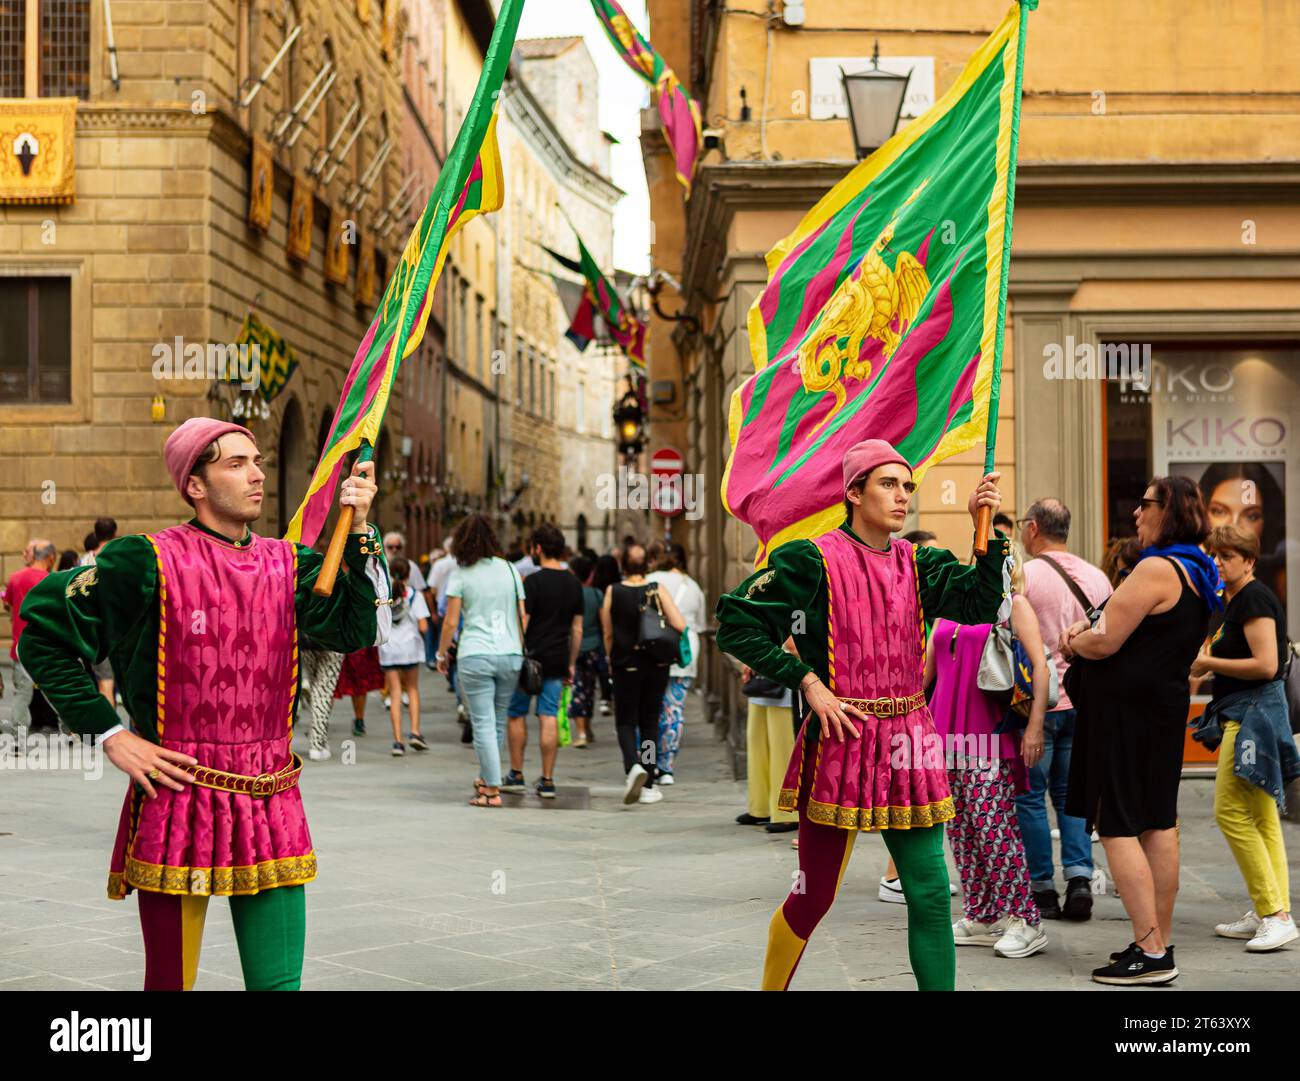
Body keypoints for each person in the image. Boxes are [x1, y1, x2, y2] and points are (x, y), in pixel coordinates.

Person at [16, 417, 387, 990]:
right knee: (169, 984)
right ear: (194, 483)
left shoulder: (288, 564)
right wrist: (110, 735)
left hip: (271, 796)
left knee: (278, 985)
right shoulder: (142, 560)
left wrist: (360, 527)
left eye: (258, 461)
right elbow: (40, 634)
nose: (257, 475)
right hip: (179, 792)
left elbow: (353, 626)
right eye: (236, 464)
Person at [715, 438, 1009, 991]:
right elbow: (734, 621)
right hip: (840, 738)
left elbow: (979, 603)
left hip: (909, 740)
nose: (902, 496)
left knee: (929, 890)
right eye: (888, 484)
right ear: (853, 492)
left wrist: (983, 528)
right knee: (814, 895)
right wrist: (809, 683)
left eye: (907, 486)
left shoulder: (920, 562)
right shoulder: (809, 559)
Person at [1059, 474, 1220, 986]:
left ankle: (1151, 953)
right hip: (1163, 712)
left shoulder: (1157, 568)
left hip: (1126, 716)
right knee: (1158, 825)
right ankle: (1157, 940)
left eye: (1145, 504)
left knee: (1117, 826)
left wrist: (1073, 641)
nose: (1135, 513)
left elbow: (1103, 641)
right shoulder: (1203, 572)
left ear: (1167, 510)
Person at [929, 559, 1050, 960]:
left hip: (989, 736)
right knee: (961, 831)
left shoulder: (1012, 605)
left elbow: (1041, 667)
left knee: (994, 830)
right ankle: (982, 914)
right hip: (944, 735)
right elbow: (925, 674)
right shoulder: (948, 607)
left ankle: (1026, 920)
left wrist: (1034, 728)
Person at [1191, 523, 1298, 952]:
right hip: (1247, 713)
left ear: (1250, 561)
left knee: (1231, 811)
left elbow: (1266, 664)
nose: (1218, 562)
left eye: (1228, 556)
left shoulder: (1254, 597)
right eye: (1215, 555)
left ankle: (1275, 914)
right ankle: (1270, 908)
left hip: (1252, 716)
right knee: (1262, 817)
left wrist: (1209, 663)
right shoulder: (1233, 599)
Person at [1016, 497, 1113, 919]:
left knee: (1031, 797)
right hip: (1086, 703)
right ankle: (1078, 877)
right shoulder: (1098, 577)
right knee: (1074, 796)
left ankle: (1041, 889)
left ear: (1033, 528)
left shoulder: (1027, 576)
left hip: (1040, 704)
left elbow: (1007, 635)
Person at [437, 514, 525, 808]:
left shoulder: (461, 574)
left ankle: (492, 791)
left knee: (483, 723)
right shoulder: (511, 571)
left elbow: (450, 622)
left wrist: (441, 654)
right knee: (496, 722)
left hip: (476, 653)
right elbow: (521, 615)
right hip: (511, 653)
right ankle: (488, 779)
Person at [602, 543, 687, 806]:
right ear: (646, 564)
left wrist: (610, 659)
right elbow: (680, 625)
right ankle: (648, 782)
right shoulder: (656, 589)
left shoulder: (612, 591)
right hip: (656, 665)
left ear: (623, 565)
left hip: (625, 664)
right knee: (649, 722)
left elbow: (608, 632)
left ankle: (632, 766)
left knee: (626, 721)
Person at [503, 524, 584, 799]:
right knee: (549, 714)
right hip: (558, 657)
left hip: (530, 659)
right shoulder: (574, 583)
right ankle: (548, 779)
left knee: (516, 713)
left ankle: (516, 774)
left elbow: (523, 621)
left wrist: (515, 649)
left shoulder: (532, 583)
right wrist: (571, 661)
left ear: (537, 548)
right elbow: (577, 629)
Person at [646, 541, 705, 784]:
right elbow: (699, 625)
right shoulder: (693, 586)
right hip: (685, 650)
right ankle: (667, 766)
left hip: (657, 647)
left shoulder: (650, 580)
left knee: (651, 708)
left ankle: (649, 763)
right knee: (674, 709)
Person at [738, 644, 800, 835]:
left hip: (785, 668)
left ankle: (785, 813)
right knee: (757, 743)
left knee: (781, 746)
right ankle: (760, 807)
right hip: (763, 671)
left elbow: (794, 642)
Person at [3, 540, 58, 734]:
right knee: (57, 693)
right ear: (51, 558)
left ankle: (18, 738)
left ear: (34, 554)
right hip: (47, 648)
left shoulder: (15, 578)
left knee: (21, 695)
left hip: (21, 648)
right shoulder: (53, 581)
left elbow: (8, 606)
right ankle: (73, 733)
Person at [380, 556, 430, 756]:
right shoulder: (414, 595)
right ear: (409, 574)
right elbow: (424, 626)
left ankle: (397, 742)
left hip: (389, 649)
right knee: (412, 689)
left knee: (395, 694)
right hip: (410, 648)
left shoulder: (383, 595)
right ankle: (415, 732)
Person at [568, 554, 603, 748]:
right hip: (594, 647)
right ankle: (587, 728)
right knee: (589, 688)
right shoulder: (597, 594)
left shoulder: (570, 593)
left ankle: (581, 731)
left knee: (577, 688)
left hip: (574, 645)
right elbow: (604, 623)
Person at [300, 641, 344, 761]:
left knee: (316, 687)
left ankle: (321, 740)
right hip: (333, 643)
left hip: (307, 641)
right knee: (323, 692)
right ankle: (317, 745)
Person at [591, 555, 621, 718]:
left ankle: (605, 697)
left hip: (599, 631)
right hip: (618, 630)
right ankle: (616, 691)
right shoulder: (618, 586)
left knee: (604, 662)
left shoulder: (595, 588)